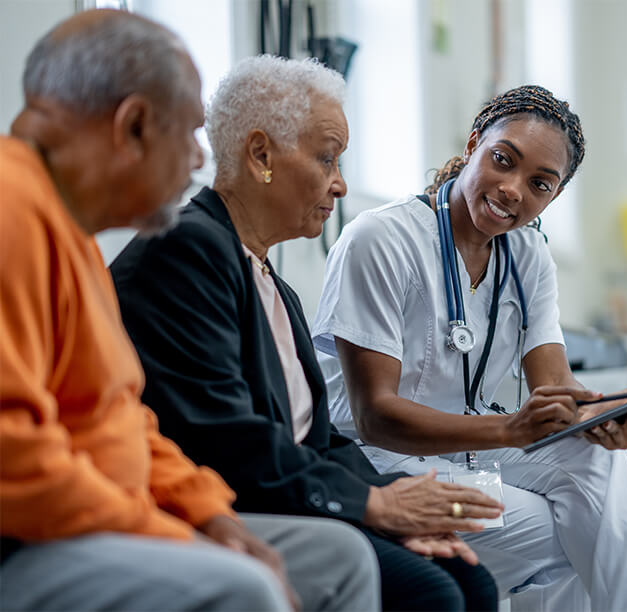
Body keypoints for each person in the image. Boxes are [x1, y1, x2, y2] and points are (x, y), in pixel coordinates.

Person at [0, 10, 381, 612]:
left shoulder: (72, 236)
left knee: (340, 557)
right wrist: (169, 530)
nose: (198, 160)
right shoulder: (12, 212)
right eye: (189, 134)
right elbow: (14, 459)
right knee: (245, 586)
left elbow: (120, 422)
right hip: (26, 536)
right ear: (133, 126)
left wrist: (207, 513)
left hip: (100, 513)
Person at [110, 54, 503, 612]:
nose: (340, 184)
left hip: (286, 491)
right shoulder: (187, 249)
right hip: (235, 502)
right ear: (261, 155)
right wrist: (371, 506)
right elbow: (224, 436)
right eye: (327, 158)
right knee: (431, 592)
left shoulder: (272, 282)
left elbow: (316, 438)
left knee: (471, 580)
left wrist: (392, 500)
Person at [311, 85, 627, 611]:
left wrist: (599, 415)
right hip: (376, 459)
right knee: (579, 530)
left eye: (539, 184)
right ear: (473, 145)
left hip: (470, 447)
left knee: (596, 461)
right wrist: (510, 428)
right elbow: (374, 418)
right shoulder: (381, 238)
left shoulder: (528, 254)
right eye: (503, 160)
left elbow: (554, 388)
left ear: (554, 196)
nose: (512, 190)